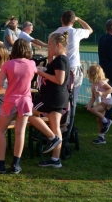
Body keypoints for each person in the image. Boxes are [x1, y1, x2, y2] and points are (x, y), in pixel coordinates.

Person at [0, 39, 36, 174]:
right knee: (20, 132)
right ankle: (15, 164)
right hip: (25, 101)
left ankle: (0, 163)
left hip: (10, 101)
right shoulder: (32, 64)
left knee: (0, 130)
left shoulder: (8, 64)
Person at [28, 32, 70, 168]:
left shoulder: (61, 60)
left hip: (52, 96)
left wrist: (40, 72)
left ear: (58, 45)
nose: (48, 46)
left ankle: (52, 138)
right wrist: (48, 58)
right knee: (55, 125)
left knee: (28, 113)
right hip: (57, 97)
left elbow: (59, 80)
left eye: (50, 44)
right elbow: (52, 69)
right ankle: (55, 159)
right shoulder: (58, 59)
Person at [53, 11, 92, 115]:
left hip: (58, 68)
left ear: (61, 19)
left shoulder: (54, 34)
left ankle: (59, 120)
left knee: (59, 95)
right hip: (73, 68)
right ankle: (69, 122)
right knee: (73, 97)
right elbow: (90, 30)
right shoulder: (76, 32)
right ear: (73, 22)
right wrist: (79, 19)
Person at [85, 64, 112, 144]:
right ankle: (101, 137)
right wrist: (89, 105)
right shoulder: (93, 84)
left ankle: (107, 121)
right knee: (99, 120)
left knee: (94, 110)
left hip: (106, 102)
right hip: (100, 103)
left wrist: (102, 93)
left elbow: (111, 89)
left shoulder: (102, 83)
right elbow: (93, 97)